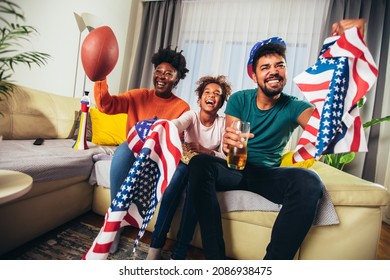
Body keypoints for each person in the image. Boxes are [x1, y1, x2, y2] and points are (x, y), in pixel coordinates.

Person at [186, 19, 366, 259]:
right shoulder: (240, 99)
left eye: (279, 65)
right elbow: (231, 142)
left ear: (285, 71)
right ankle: (215, 260)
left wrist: (349, 54)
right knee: (199, 164)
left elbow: (328, 126)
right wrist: (229, 143)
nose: (273, 71)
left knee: (310, 181)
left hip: (266, 174)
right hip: (235, 168)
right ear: (254, 75)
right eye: (265, 67)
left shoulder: (294, 106)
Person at [94, 46, 191, 253]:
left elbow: (176, 142)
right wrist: (100, 76)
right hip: (132, 151)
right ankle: (115, 224)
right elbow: (105, 105)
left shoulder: (182, 107)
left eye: (169, 73)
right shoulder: (138, 96)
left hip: (156, 158)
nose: (162, 76)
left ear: (177, 78)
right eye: (158, 71)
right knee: (123, 150)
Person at [146, 75, 232, 260]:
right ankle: (155, 247)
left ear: (221, 102)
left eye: (217, 94)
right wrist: (165, 126)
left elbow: (226, 157)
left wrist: (206, 151)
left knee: (196, 190)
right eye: (207, 92)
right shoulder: (191, 115)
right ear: (200, 99)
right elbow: (177, 124)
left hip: (204, 168)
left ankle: (179, 254)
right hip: (185, 162)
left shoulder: (223, 123)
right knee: (173, 186)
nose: (212, 96)